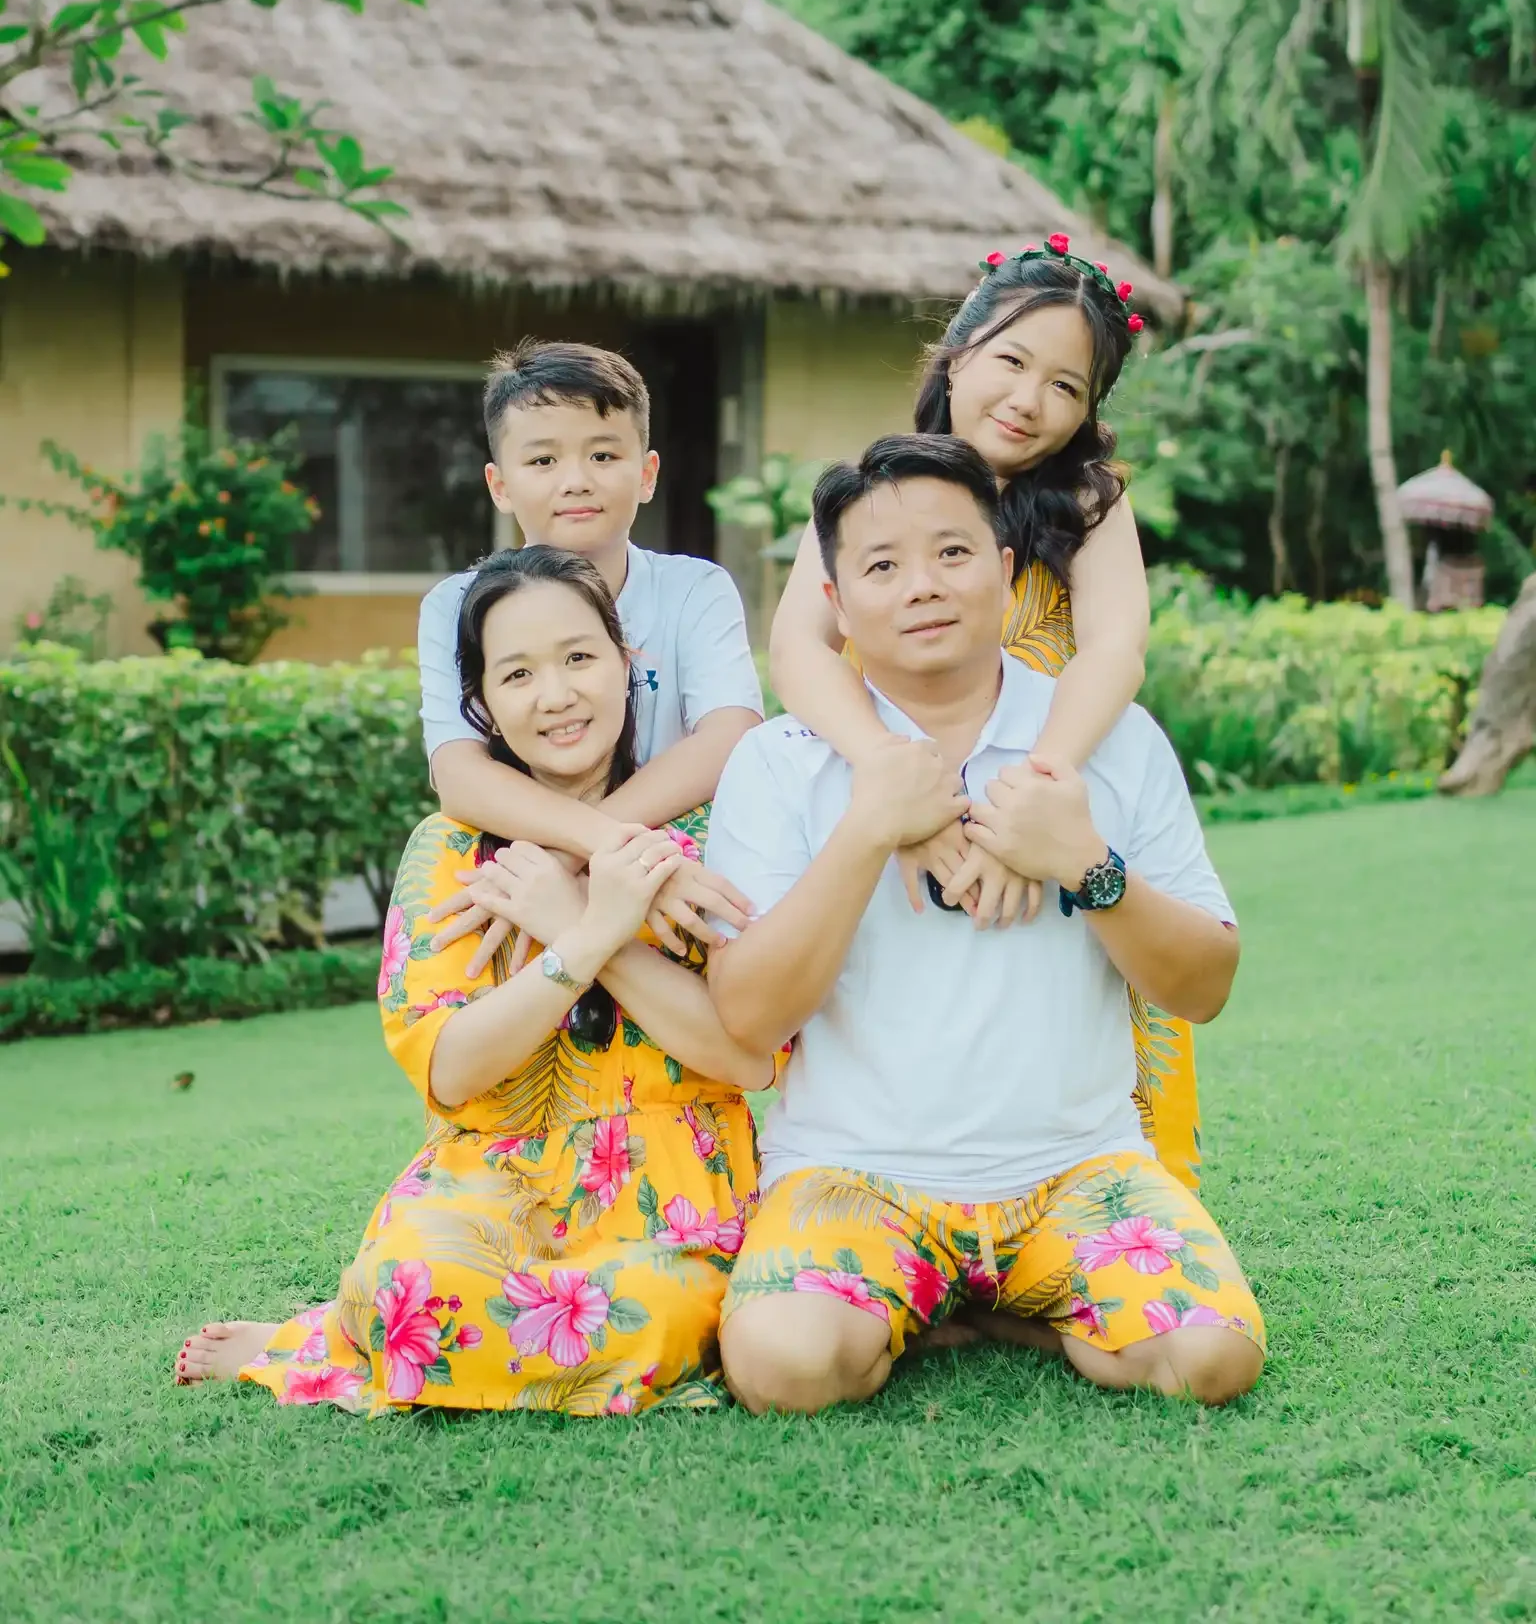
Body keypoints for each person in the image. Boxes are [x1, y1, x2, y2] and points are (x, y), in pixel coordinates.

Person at [705, 436, 1264, 1414]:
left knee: (1209, 1360)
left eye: (953, 554)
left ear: (1006, 573)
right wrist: (871, 825)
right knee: (783, 1366)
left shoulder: (1108, 741)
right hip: (854, 1175)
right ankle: (944, 1295)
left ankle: (1001, 1304)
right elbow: (749, 1014)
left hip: (1078, 1169)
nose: (922, 585)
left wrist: (1085, 867)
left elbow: (1205, 986)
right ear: (834, 603)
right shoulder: (781, 762)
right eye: (882, 566)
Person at [175, 547, 776, 1415]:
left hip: (675, 1189)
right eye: (519, 673)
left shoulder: (711, 834)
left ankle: (338, 1344)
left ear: (627, 666)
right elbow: (452, 1071)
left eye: (579, 658)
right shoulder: (450, 852)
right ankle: (335, 1332)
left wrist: (578, 920)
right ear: (482, 704)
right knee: (410, 1291)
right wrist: (588, 940)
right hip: (492, 1175)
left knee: (668, 1318)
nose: (558, 695)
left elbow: (745, 1058)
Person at [770, 240, 1202, 1193]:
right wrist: (900, 788)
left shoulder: (1089, 501)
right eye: (1010, 362)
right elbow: (800, 648)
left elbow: (1113, 651)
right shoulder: (868, 490)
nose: (1029, 399)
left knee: (1074, 1017)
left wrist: (1027, 804)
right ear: (957, 353)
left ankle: (1087, 1223)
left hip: (1046, 786)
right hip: (901, 785)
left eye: (1066, 386)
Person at [420, 338, 763, 976]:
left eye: (603, 454)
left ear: (648, 472)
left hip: (672, 894)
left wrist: (574, 855)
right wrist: (605, 845)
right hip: (522, 897)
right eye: (543, 459)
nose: (576, 479)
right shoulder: (455, 605)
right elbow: (459, 774)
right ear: (499, 484)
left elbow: (732, 736)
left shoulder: (695, 589)